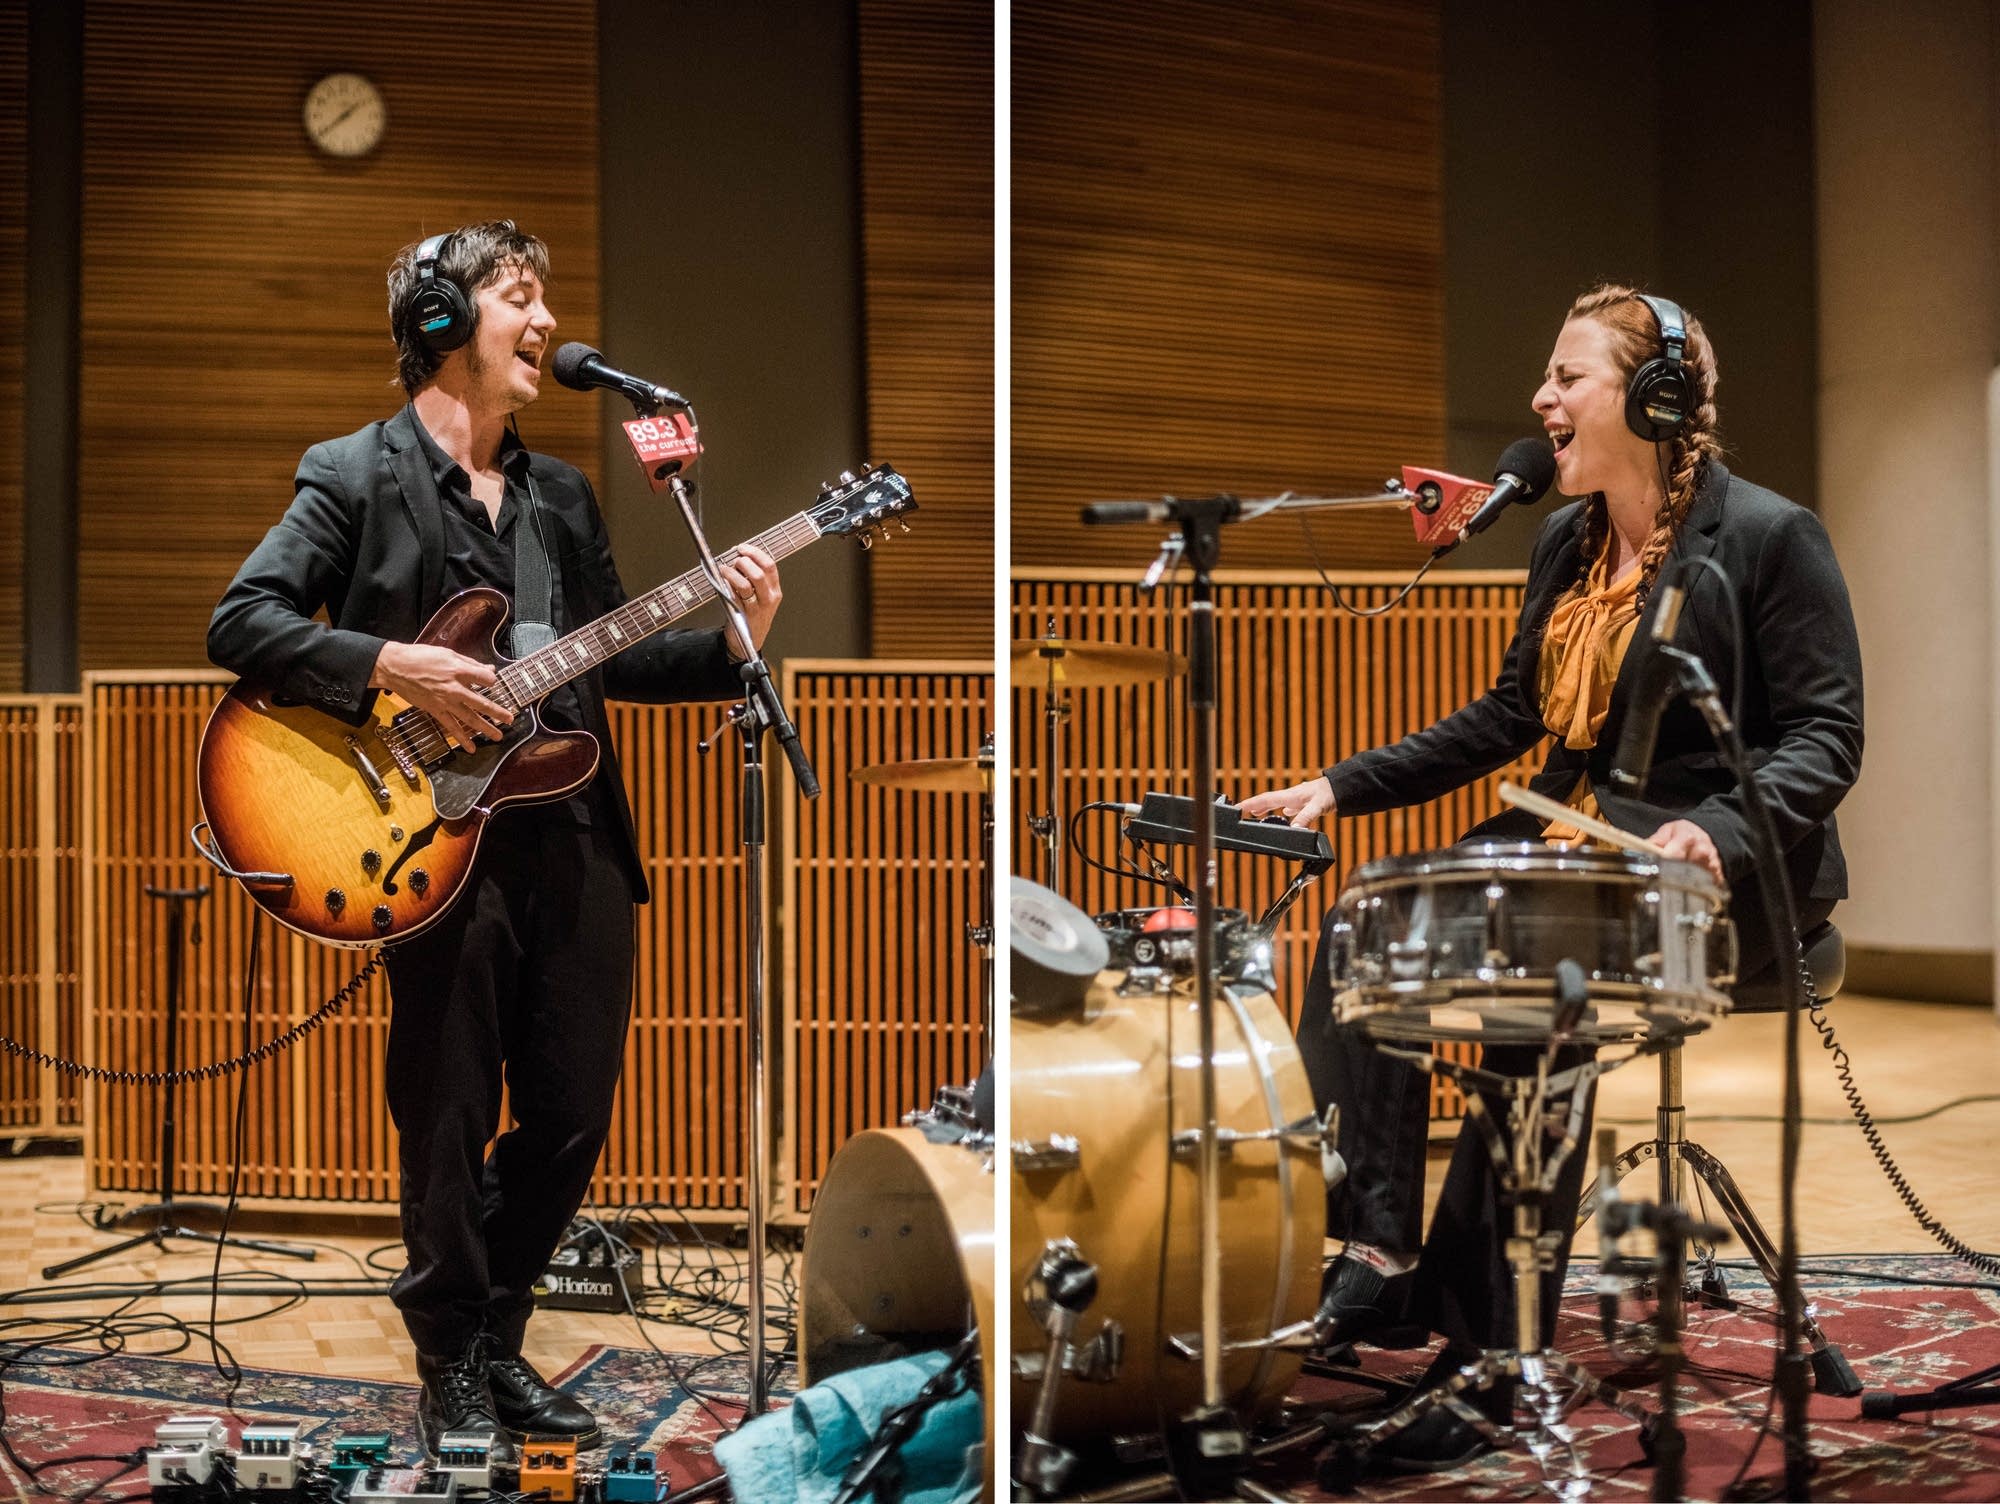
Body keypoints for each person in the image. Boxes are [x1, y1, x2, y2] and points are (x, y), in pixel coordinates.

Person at [1239, 284, 1863, 1469]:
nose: (1538, 399)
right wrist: (1342, 784)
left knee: (1535, 992)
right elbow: (1509, 716)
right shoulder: (1563, 539)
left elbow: (1824, 738)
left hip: (1727, 878)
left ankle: (1488, 1345)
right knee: (1372, 931)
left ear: (1653, 396)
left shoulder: (1771, 538)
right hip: (1577, 846)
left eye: (1564, 376)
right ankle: (1372, 1254)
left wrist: (1716, 833)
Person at [208, 221, 783, 1459]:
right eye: (518, 297)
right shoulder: (352, 474)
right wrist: (387, 662)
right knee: (449, 1109)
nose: (542, 321)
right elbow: (241, 618)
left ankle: (495, 1328)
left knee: (572, 1110)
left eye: (543, 297)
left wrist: (734, 643)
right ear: (436, 322)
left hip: (569, 832)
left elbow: (610, 667)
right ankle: (451, 1355)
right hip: (421, 842)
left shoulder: (561, 494)